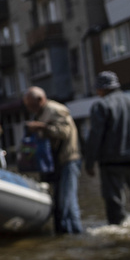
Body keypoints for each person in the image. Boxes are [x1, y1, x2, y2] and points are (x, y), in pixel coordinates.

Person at [83, 71, 130, 225]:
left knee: (115, 205)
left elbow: (95, 135)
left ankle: (119, 235)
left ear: (101, 88)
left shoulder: (101, 105)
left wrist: (89, 162)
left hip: (112, 161)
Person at [23, 86, 83, 234]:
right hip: (53, 164)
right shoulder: (40, 112)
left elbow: (64, 132)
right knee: (58, 203)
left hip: (68, 160)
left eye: (30, 105)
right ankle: (62, 234)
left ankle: (76, 234)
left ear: (40, 99)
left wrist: (42, 127)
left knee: (67, 202)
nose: (29, 108)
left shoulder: (56, 109)